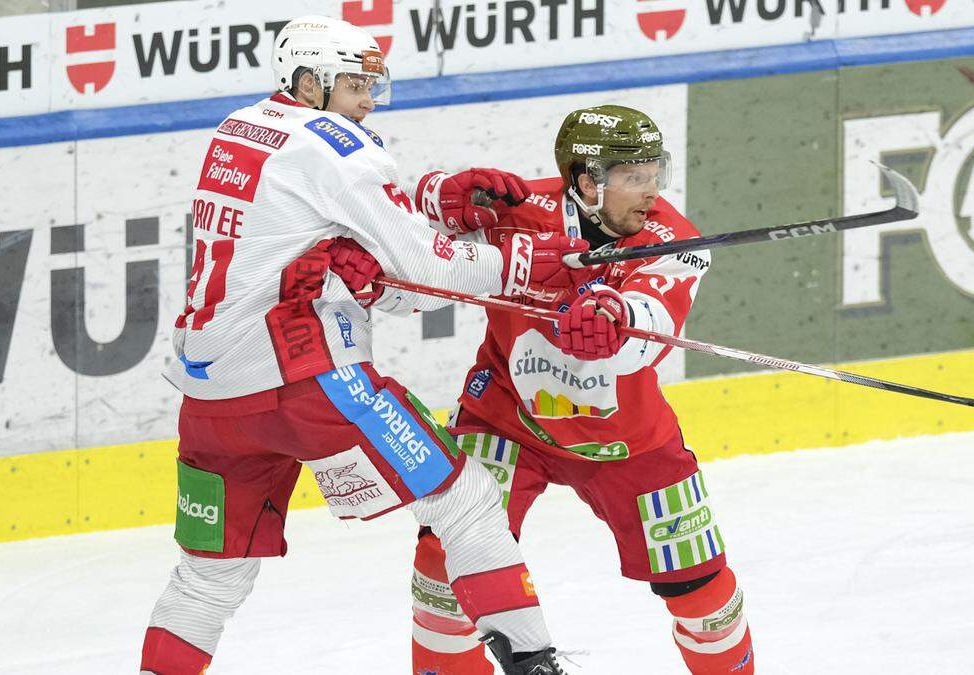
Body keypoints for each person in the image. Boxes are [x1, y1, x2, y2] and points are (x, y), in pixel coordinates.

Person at [139, 15, 592, 675]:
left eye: (372, 83)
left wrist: (423, 214)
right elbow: (423, 269)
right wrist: (532, 261)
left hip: (211, 401)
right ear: (306, 82)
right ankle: (534, 663)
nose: (368, 100)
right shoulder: (335, 143)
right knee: (464, 497)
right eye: (354, 83)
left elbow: (325, 232)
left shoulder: (237, 129)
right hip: (302, 379)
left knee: (210, 578)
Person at [405, 105, 756, 674]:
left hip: (626, 442)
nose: (651, 193)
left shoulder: (676, 240)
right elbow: (397, 234)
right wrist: (434, 195)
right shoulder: (514, 210)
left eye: (654, 174)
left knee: (701, 593)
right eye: (633, 178)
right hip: (505, 420)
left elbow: (655, 325)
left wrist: (616, 322)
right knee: (443, 572)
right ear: (588, 180)